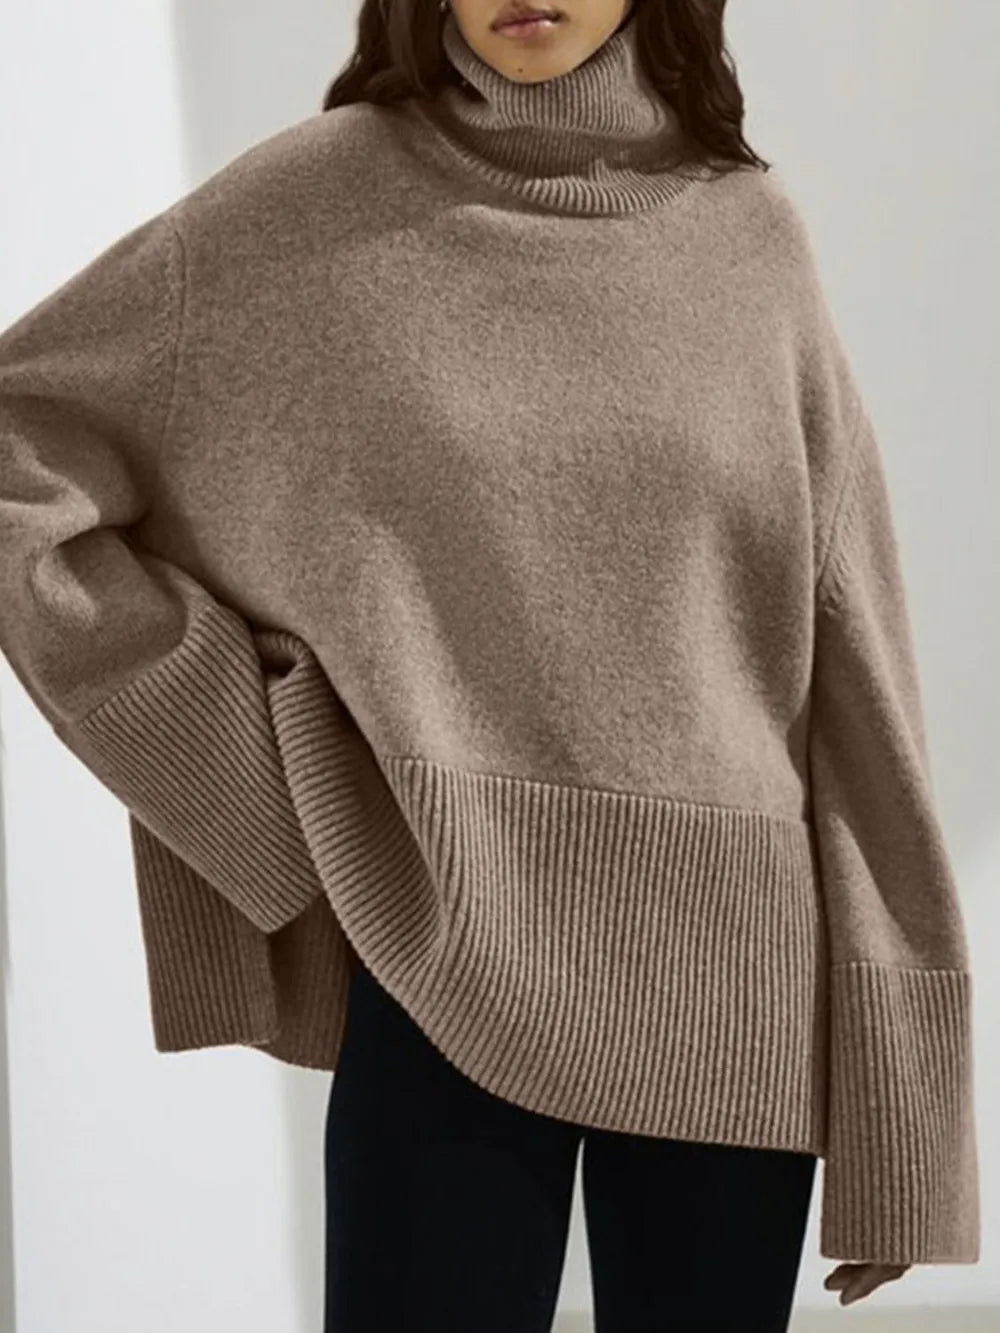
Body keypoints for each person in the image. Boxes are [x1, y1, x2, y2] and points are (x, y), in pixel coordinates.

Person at [0, 0, 980, 1328]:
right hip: (439, 951)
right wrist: (230, 754)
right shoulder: (318, 207)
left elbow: (856, 679)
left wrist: (906, 1113)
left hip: (733, 996)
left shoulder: (749, 241)